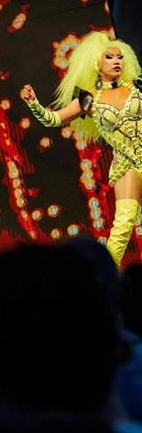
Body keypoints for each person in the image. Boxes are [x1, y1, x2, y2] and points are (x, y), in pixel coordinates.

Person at [20, 31, 142, 266]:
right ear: (97, 63)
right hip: (127, 164)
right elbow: (53, 120)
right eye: (110, 57)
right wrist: (34, 104)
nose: (116, 61)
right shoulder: (89, 100)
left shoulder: (137, 87)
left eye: (119, 57)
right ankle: (107, 278)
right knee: (123, 225)